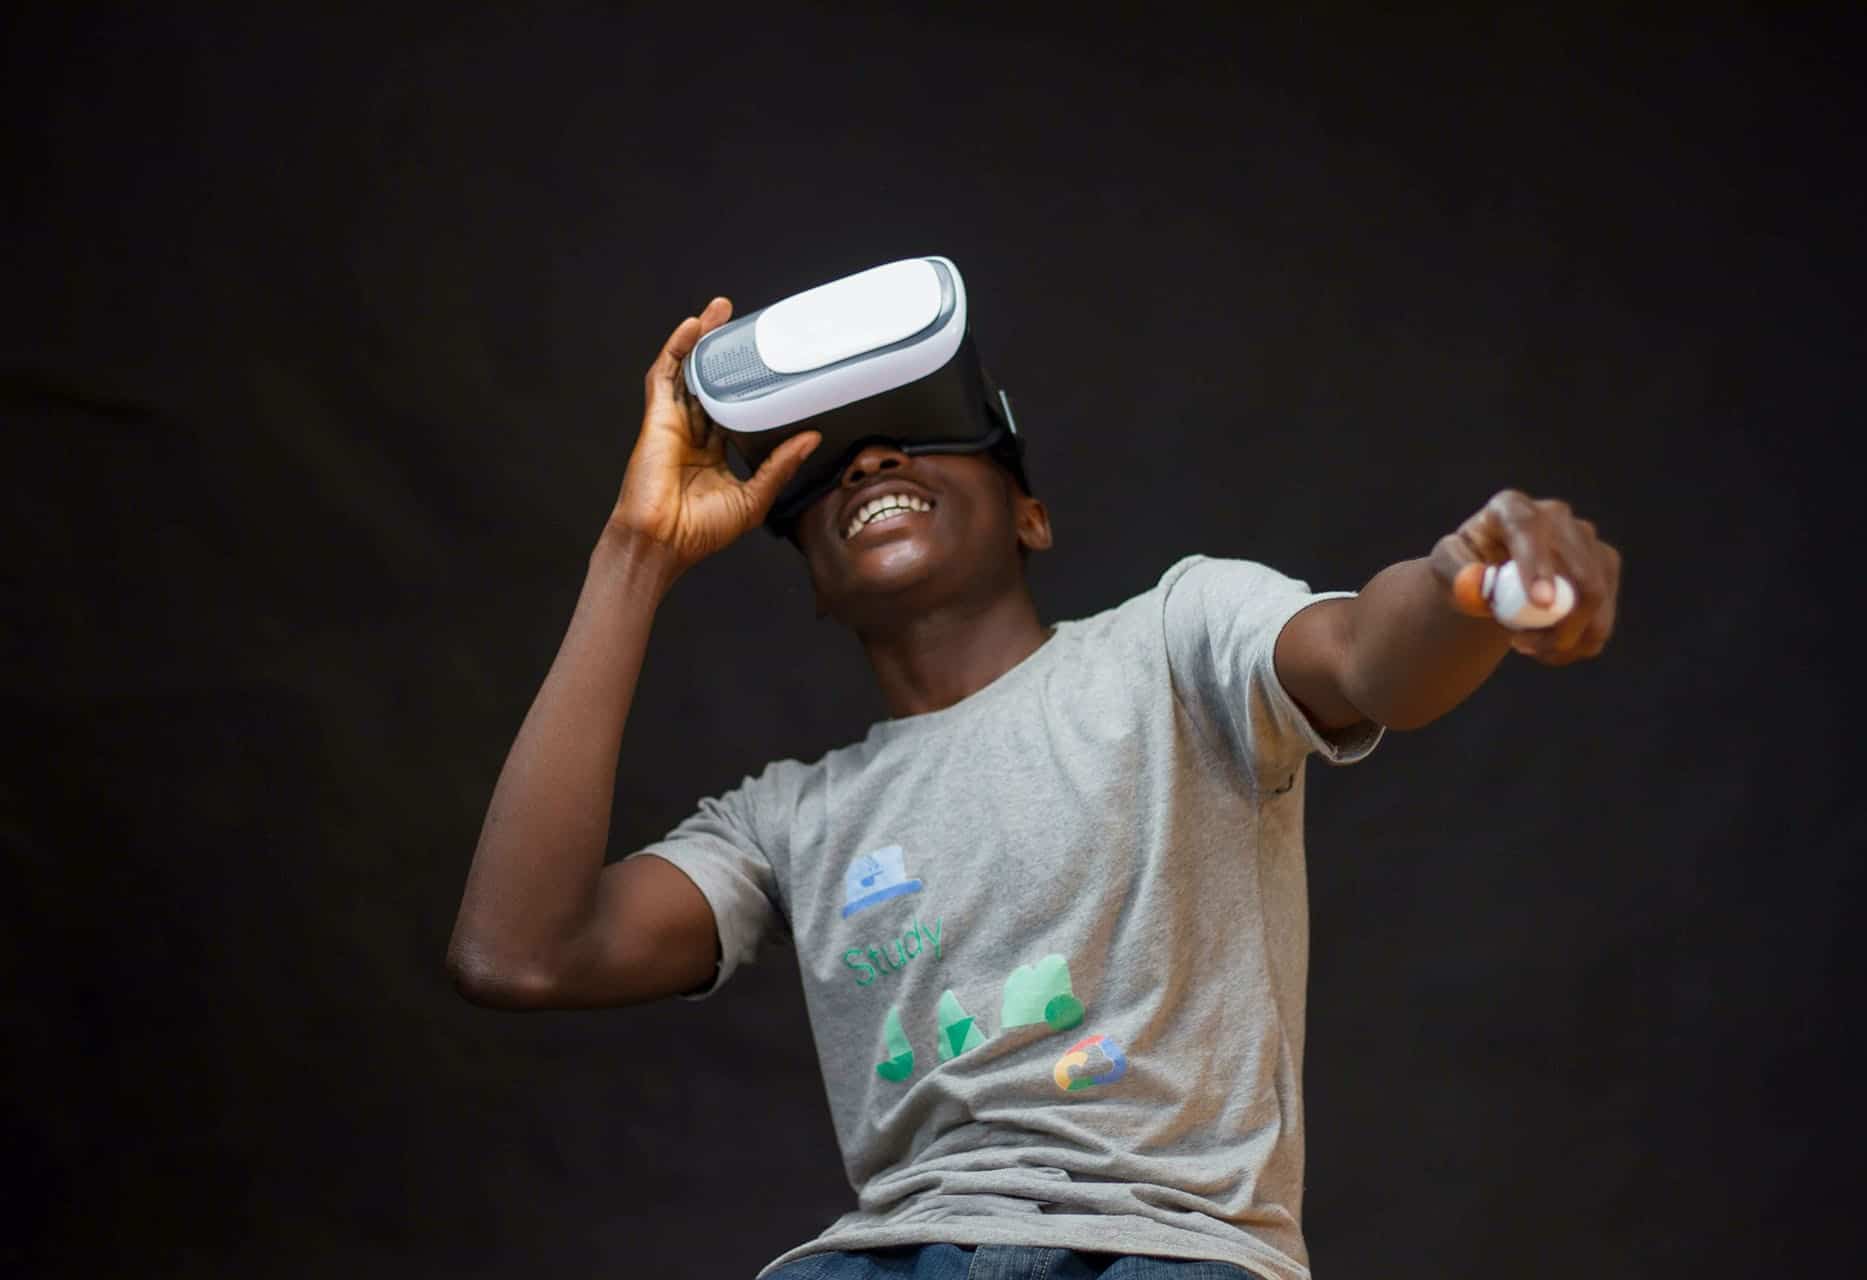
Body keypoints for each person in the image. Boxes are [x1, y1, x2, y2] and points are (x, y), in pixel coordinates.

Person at [447, 295, 1622, 1280]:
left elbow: (1370, 657)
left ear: (1032, 514)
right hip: (881, 1260)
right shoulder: (787, 818)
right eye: (827, 467)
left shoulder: (1173, 643)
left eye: (919, 433)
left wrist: (1468, 585)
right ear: (809, 577)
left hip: (1165, 1247)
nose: (871, 460)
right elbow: (520, 952)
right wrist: (638, 549)